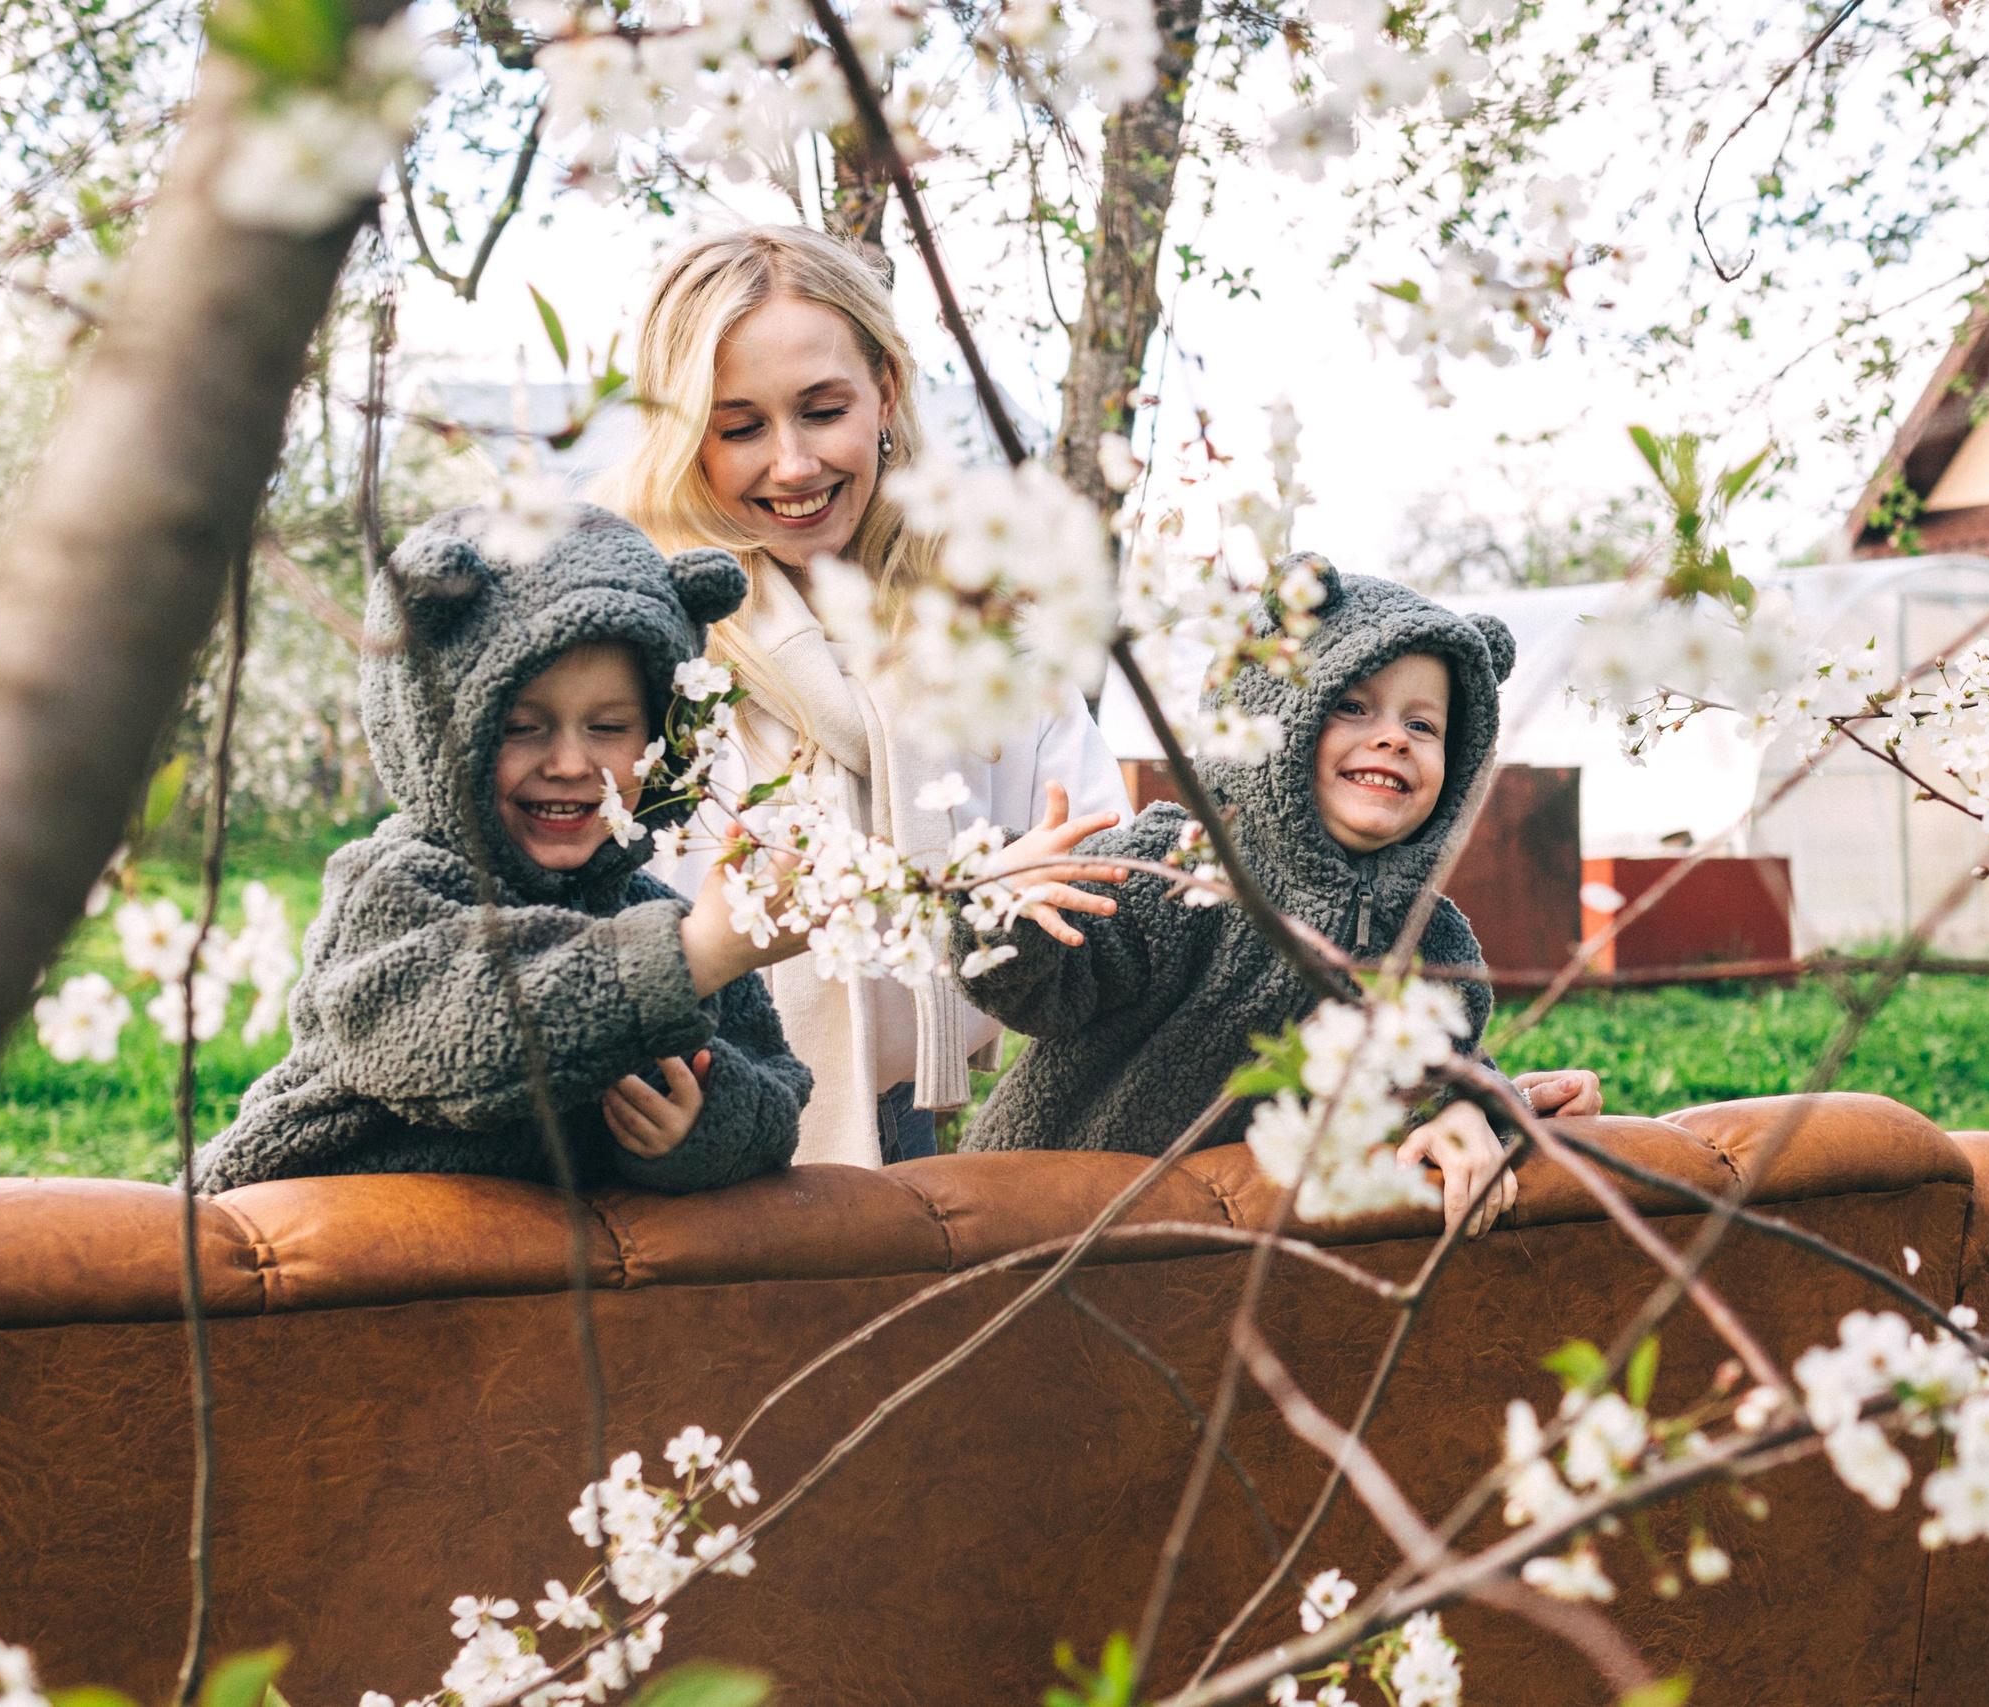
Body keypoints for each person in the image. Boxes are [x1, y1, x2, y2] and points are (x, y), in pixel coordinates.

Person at [600, 224, 1129, 1170]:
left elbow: (1099, 865)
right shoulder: (656, 645)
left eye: (822, 409)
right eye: (741, 428)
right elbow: (588, 890)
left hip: (904, 1126)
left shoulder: (982, 632)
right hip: (678, 1120)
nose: (794, 464)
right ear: (686, 439)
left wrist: (1012, 905)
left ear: (884, 388)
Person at [951, 558, 1604, 1239]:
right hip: (1035, 1228)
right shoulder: (1184, 866)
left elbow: (1422, 1071)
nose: (1391, 737)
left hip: (1223, 1274)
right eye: (1351, 705)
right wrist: (1004, 911)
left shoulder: (1430, 941)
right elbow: (1045, 994)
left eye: (1424, 726)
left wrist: (1481, 1102)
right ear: (1271, 709)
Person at [195, 509, 814, 1194]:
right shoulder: (394, 888)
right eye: (520, 726)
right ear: (433, 728)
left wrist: (694, 1126)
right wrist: (694, 957)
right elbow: (456, 1036)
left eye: (609, 726)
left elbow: (775, 1094)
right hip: (311, 1250)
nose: (571, 762)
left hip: (525, 1280)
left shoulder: (652, 914)